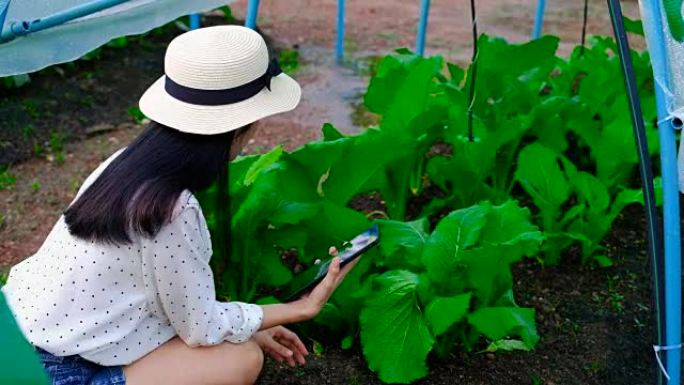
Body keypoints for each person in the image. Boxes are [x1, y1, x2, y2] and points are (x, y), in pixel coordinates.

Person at [2, 25, 357, 385]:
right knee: (241, 358)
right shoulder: (173, 208)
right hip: (45, 373)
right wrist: (298, 309)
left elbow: (169, 302)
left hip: (12, 336)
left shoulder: (122, 164)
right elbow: (199, 328)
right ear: (243, 126)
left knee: (236, 340)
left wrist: (244, 324)